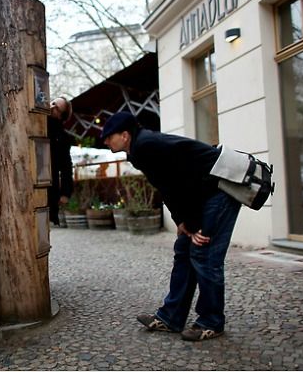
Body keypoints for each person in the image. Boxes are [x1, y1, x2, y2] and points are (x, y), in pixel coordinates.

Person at [100, 111, 241, 341]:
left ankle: (212, 321)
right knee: (183, 251)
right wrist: (182, 222)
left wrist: (195, 225)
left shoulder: (146, 145)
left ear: (125, 135)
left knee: (204, 255)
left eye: (109, 136)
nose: (105, 141)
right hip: (204, 193)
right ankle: (171, 317)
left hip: (220, 190)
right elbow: (167, 186)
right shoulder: (140, 148)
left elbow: (184, 183)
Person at [47, 96, 74, 226]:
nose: (52, 107)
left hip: (48, 186)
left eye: (57, 108)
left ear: (61, 116)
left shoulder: (62, 138)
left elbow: (66, 167)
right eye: (52, 103)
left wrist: (65, 192)